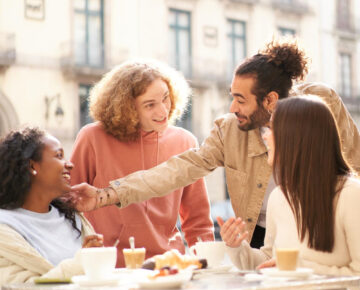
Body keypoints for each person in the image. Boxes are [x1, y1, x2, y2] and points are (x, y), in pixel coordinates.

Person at [70, 40, 360, 250]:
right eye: (231, 96)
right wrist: (105, 195)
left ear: (270, 100)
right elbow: (175, 171)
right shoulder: (230, 130)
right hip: (259, 238)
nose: (232, 107)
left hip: (321, 228)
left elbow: (355, 162)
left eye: (241, 99)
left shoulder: (321, 105)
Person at [0, 127, 180, 290]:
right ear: (33, 166)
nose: (69, 164)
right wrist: (81, 262)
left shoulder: (70, 217)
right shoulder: (6, 228)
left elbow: (96, 278)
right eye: (58, 156)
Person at [217, 95, 360, 290]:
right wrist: (238, 248)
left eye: (271, 129)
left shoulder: (351, 195)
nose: (265, 137)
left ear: (297, 138)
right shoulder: (281, 197)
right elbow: (271, 263)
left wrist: (302, 268)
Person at [70, 59, 213, 267]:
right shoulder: (93, 137)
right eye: (150, 105)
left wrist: (206, 264)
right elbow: (68, 207)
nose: (163, 111)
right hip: (109, 267)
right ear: (127, 108)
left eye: (166, 99)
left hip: (168, 266)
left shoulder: (185, 141)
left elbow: (198, 221)